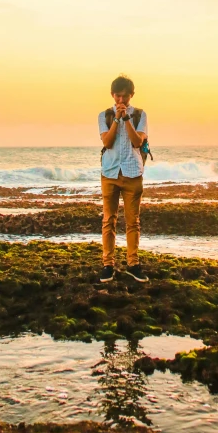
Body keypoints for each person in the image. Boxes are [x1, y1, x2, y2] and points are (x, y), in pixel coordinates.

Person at [98, 75, 149, 283]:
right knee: (108, 220)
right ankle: (107, 264)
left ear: (131, 95)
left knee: (132, 221)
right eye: (118, 96)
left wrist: (126, 119)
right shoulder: (105, 115)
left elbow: (137, 142)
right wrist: (117, 119)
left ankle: (133, 264)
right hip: (110, 173)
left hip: (132, 173)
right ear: (112, 95)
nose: (121, 101)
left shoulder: (139, 114)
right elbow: (107, 142)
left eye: (125, 97)